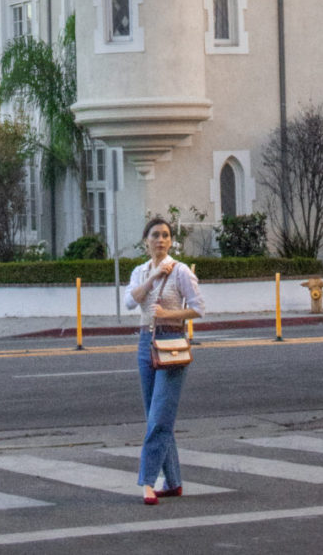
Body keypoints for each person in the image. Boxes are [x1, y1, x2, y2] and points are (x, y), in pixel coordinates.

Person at [124, 214, 205, 504]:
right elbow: (130, 300)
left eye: (166, 235)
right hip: (146, 342)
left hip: (171, 342)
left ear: (171, 241)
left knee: (159, 416)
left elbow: (198, 308)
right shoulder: (140, 271)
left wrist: (168, 315)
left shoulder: (181, 271)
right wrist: (155, 276)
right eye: (155, 235)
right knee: (156, 416)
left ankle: (147, 481)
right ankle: (173, 482)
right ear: (146, 240)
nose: (161, 240)